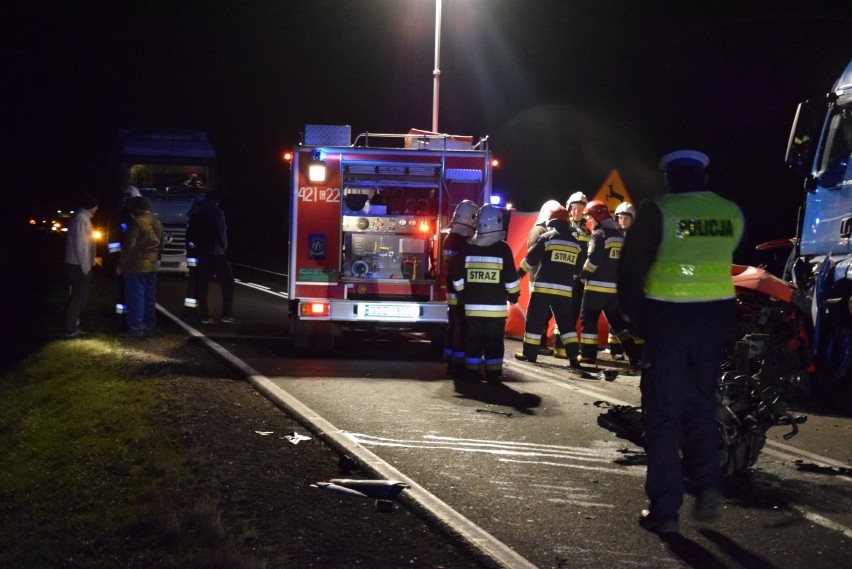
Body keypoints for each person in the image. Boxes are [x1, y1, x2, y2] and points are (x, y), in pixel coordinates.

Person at [618, 149, 744, 535]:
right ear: (703, 178)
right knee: (701, 409)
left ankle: (665, 510)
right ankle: (707, 486)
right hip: (713, 322)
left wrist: (635, 319)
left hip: (668, 321)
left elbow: (630, 268)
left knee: (663, 416)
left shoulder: (659, 211)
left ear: (669, 179)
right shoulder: (730, 212)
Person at [451, 204, 520, 383]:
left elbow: (456, 274)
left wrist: (461, 292)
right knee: (494, 343)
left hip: (472, 308)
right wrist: (514, 295)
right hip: (495, 310)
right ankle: (493, 374)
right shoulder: (503, 249)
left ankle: (472, 372)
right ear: (497, 223)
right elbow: (511, 278)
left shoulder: (468, 247)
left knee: (473, 341)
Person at [515, 206, 583, 364]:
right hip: (565, 291)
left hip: (543, 289)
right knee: (566, 324)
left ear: (551, 221)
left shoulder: (546, 238)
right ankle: (573, 357)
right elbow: (578, 269)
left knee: (535, 321)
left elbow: (530, 260)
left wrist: (518, 274)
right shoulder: (576, 244)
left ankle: (530, 354)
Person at [577, 200, 639, 368]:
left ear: (597, 216)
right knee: (618, 324)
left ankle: (587, 355)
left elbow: (594, 259)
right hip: (613, 289)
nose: (590, 221)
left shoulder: (600, 234)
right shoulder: (619, 234)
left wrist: (583, 274)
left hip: (596, 287)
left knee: (588, 319)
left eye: (590, 217)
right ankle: (635, 356)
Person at [116, 196, 164, 338]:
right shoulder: (157, 222)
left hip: (136, 266)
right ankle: (149, 327)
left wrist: (120, 264)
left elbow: (129, 246)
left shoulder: (136, 223)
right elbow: (161, 244)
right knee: (149, 298)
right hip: (152, 265)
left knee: (135, 298)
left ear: (138, 208)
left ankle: (136, 329)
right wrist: (158, 259)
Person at [442, 200, 478, 377]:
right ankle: (458, 362)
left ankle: (450, 358)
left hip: (451, 288)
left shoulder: (450, 238)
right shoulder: (463, 241)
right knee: (461, 325)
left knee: (454, 324)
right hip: (460, 289)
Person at [188, 191, 237, 324]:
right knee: (228, 283)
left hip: (202, 254)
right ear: (216, 201)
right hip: (217, 253)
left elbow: (191, 232)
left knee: (203, 286)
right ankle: (226, 315)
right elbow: (222, 231)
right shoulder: (217, 212)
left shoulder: (197, 213)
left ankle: (204, 316)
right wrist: (224, 248)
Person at [526, 200, 564, 357]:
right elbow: (533, 257)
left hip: (545, 279)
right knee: (539, 314)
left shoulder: (548, 230)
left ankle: (539, 344)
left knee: (545, 313)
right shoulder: (539, 230)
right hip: (538, 278)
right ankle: (536, 345)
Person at [64, 193, 99, 338]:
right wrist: (86, 267)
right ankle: (71, 329)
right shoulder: (82, 219)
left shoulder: (81, 218)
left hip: (77, 264)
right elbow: (82, 246)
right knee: (78, 297)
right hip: (78, 265)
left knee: (78, 296)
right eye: (96, 206)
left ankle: (73, 326)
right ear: (91, 206)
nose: (97, 209)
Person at [106, 185, 141, 318]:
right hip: (124, 261)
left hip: (135, 261)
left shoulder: (138, 218)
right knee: (124, 290)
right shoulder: (118, 218)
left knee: (134, 291)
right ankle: (123, 318)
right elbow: (113, 243)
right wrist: (117, 262)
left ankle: (131, 317)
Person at [609, 201, 638, 360]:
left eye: (627, 217)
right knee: (614, 315)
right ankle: (615, 349)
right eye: (620, 217)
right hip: (614, 281)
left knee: (629, 316)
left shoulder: (637, 237)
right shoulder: (613, 235)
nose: (623, 220)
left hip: (630, 283)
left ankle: (631, 350)